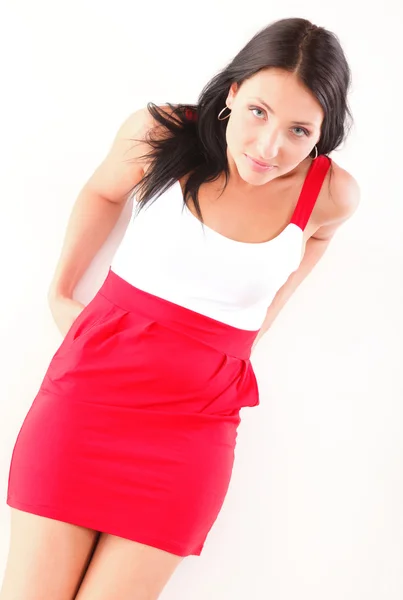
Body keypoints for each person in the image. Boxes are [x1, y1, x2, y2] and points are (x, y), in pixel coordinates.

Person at [1, 16, 360, 600]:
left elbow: (302, 259)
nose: (270, 147)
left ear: (323, 131)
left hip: (190, 435)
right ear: (234, 92)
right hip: (85, 401)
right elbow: (102, 192)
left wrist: (242, 341)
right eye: (259, 112)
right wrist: (60, 294)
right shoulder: (162, 133)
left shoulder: (331, 195)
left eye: (299, 130)